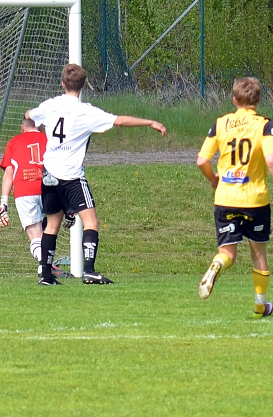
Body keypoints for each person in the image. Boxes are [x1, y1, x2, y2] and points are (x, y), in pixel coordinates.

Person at [26, 63, 167, 286]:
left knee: (52, 225)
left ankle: (46, 275)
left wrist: (44, 128)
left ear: (63, 83)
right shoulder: (85, 112)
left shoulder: (50, 105)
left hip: (50, 174)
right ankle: (89, 271)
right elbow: (119, 121)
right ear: (83, 86)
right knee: (91, 221)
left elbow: (29, 115)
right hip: (71, 176)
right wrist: (150, 122)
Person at [195, 76, 273, 318]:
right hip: (255, 200)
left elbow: (202, 161)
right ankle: (260, 305)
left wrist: (213, 179)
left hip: (225, 198)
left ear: (234, 99)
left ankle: (217, 265)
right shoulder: (264, 125)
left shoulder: (221, 123)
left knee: (227, 253)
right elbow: (271, 159)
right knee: (258, 253)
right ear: (258, 100)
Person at [0, 118, 70, 279]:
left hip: (24, 190)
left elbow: (9, 174)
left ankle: (44, 266)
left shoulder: (14, 142)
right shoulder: (49, 139)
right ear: (40, 125)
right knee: (49, 230)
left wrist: (4, 202)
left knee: (36, 235)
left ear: (23, 127)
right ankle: (46, 266)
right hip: (48, 188)